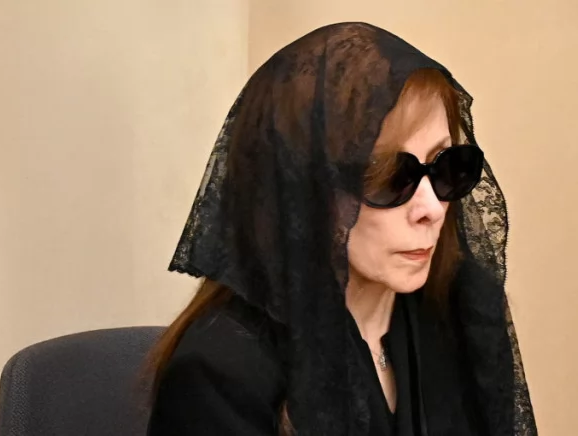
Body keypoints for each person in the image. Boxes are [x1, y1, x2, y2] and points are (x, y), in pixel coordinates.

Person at [144, 22, 538, 436]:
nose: (431, 209)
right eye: (388, 176)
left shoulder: (463, 308)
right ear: (299, 189)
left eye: (447, 166)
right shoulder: (223, 371)